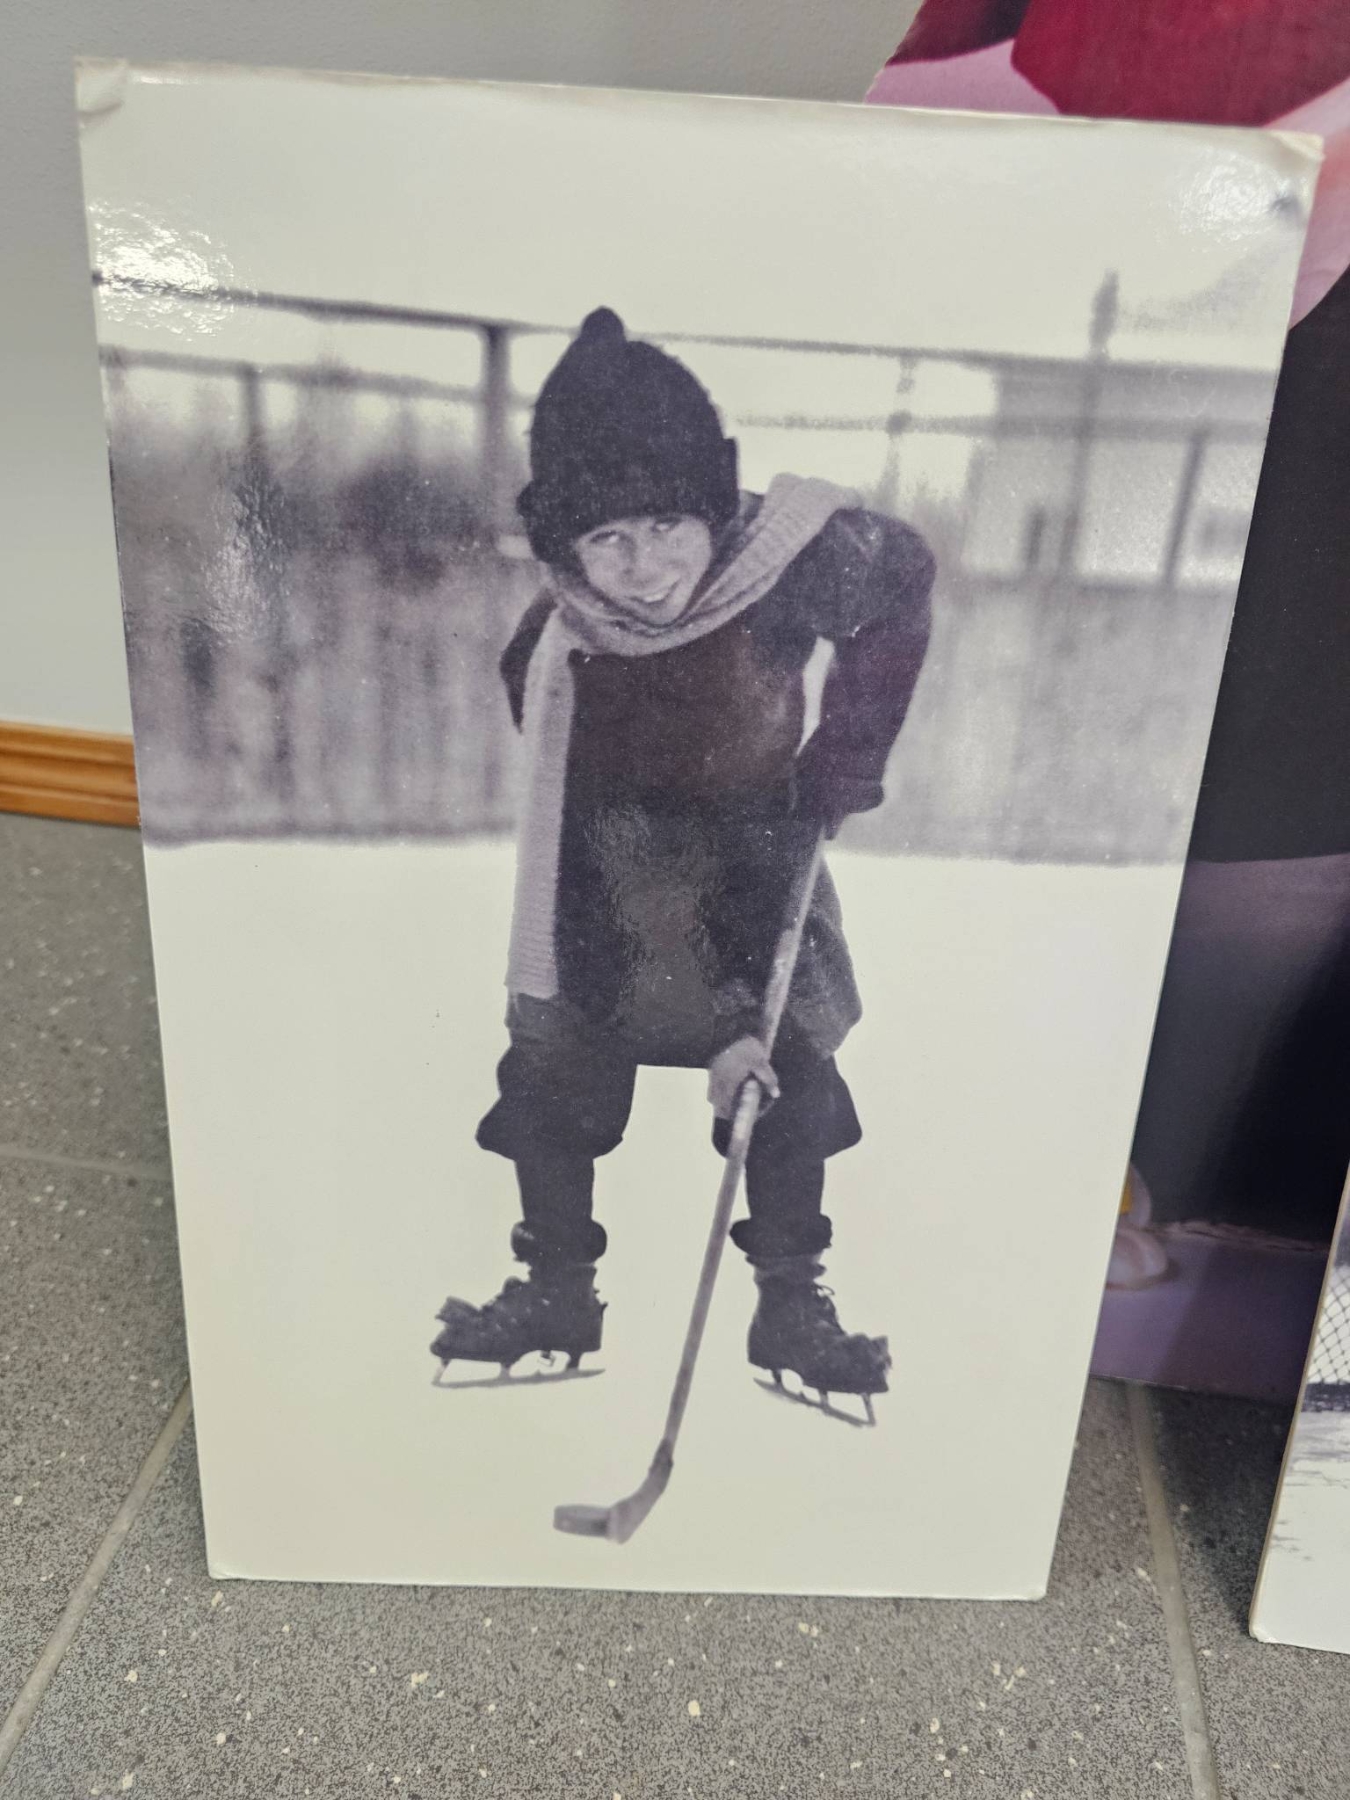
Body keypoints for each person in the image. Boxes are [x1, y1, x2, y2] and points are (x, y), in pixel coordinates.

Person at [432, 308, 935, 1411]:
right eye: (606, 539)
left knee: (785, 1070)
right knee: (555, 1063)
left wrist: (846, 751)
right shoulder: (559, 645)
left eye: (666, 524)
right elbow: (596, 813)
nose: (645, 567)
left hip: (757, 855)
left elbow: (901, 575)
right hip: (605, 876)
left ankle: (790, 1302)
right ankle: (555, 1290)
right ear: (565, 548)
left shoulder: (779, 566)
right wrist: (709, 1012)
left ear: (713, 507)